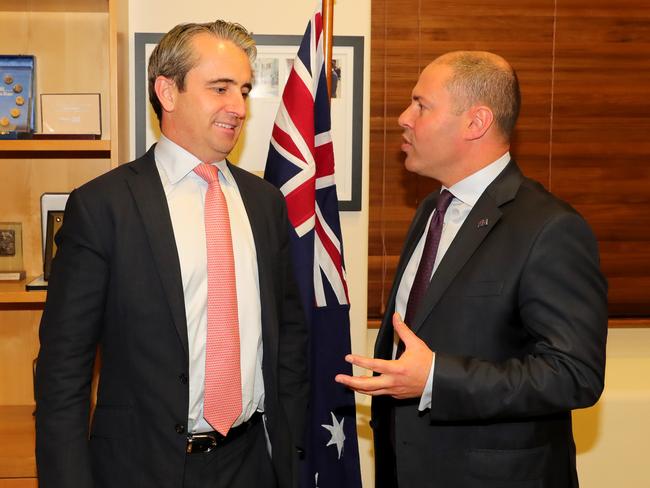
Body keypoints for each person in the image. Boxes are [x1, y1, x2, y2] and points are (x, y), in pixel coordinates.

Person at [35, 20, 309, 488]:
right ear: (167, 90)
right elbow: (64, 369)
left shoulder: (265, 203)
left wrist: (287, 453)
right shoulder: (104, 206)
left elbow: (289, 341)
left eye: (243, 90)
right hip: (141, 469)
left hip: (252, 463)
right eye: (220, 88)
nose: (238, 107)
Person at [336, 51, 607, 488]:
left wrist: (436, 379)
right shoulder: (432, 209)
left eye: (421, 105)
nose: (404, 118)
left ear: (475, 123)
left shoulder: (551, 228)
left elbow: (574, 375)